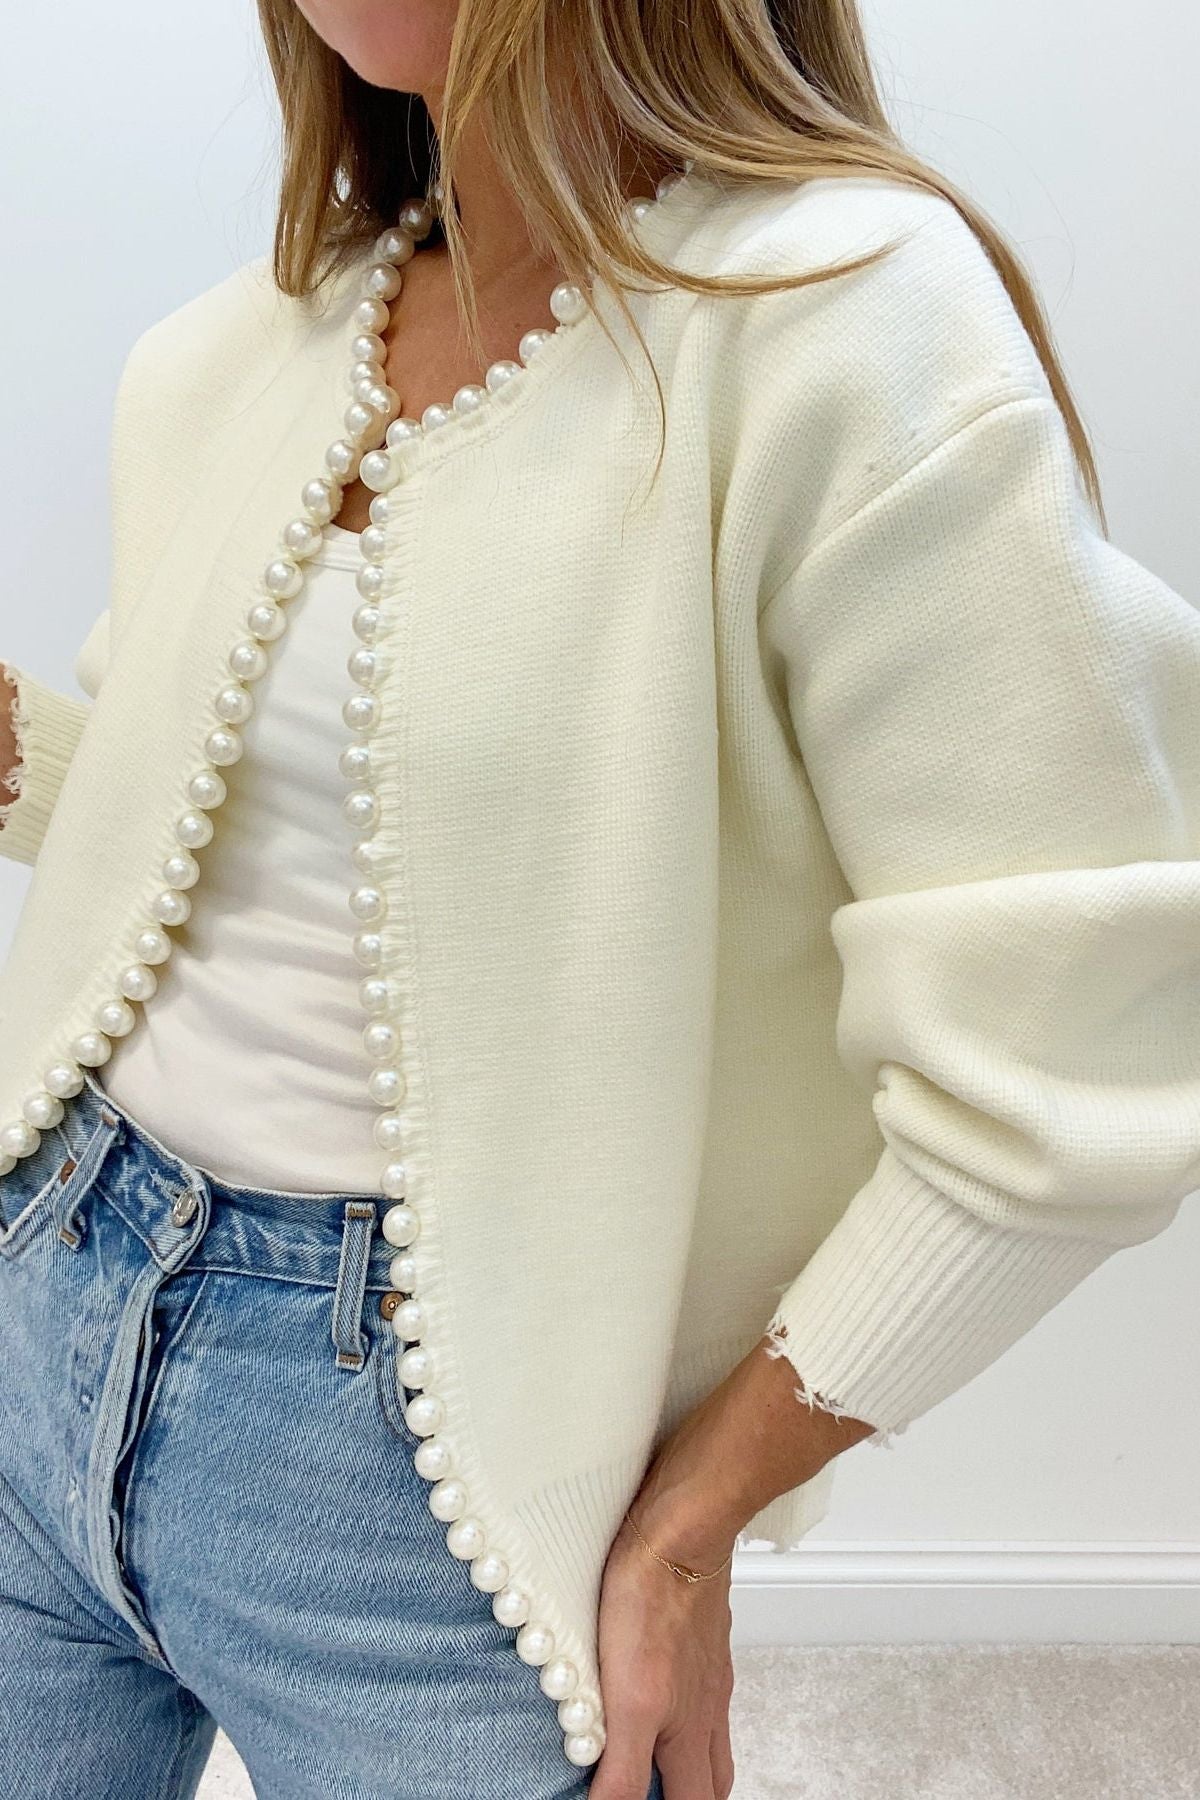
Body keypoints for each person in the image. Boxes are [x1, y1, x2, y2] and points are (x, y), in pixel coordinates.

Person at [1, 0, 1197, 1796]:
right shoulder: (253, 340)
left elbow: (1083, 1046)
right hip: (45, 1289)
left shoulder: (842, 320)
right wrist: (30, 759)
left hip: (429, 1470)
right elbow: (309, 854)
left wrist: (694, 1523)